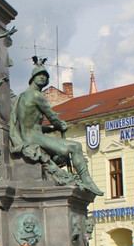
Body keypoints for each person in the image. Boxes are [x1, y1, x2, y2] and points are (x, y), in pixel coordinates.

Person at [11, 58, 103, 195]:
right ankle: (88, 181)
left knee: (60, 155)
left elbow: (30, 124)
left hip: (30, 135)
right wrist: (60, 125)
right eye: (39, 75)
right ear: (33, 78)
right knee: (75, 146)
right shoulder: (37, 95)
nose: (42, 77)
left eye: (45, 76)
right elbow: (52, 116)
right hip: (33, 138)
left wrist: (51, 129)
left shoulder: (22, 96)